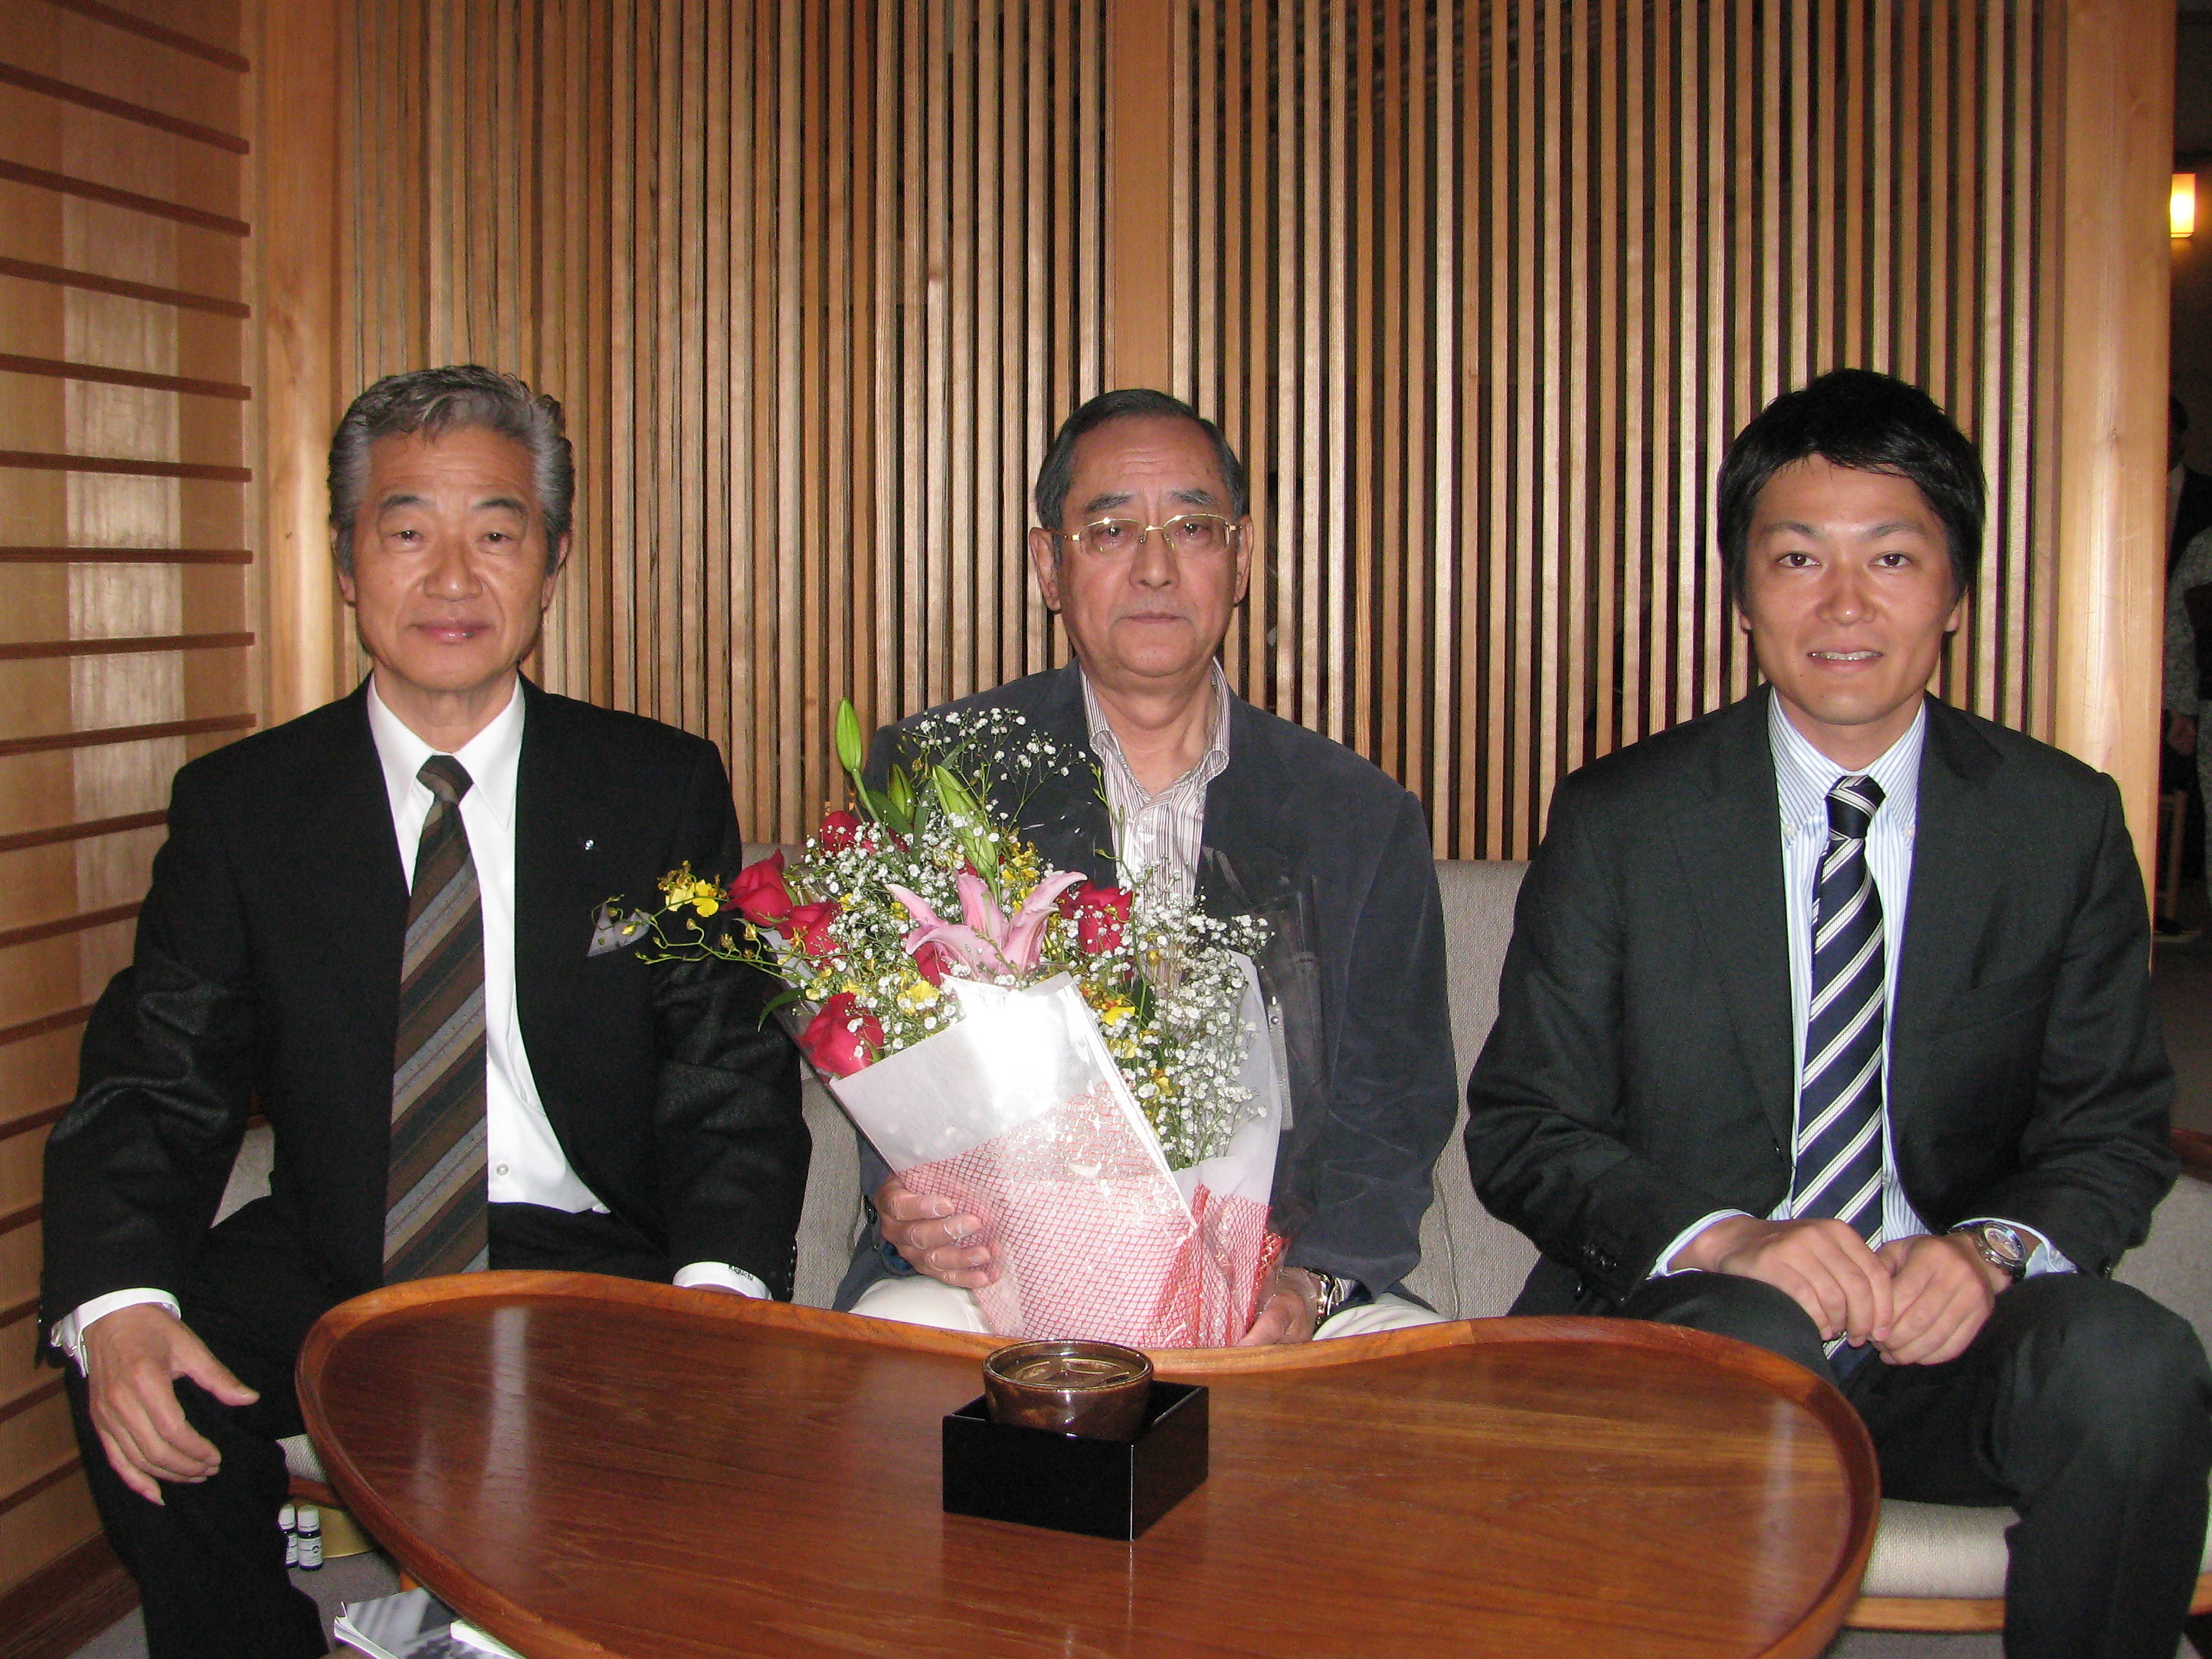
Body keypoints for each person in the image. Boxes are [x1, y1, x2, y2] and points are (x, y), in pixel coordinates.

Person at [40, 367, 809, 1659]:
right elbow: (158, 1074)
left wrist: (719, 1288)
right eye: (408, 532)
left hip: (589, 1251)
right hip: (344, 1241)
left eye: (496, 534)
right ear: (348, 563)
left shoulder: (654, 785)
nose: (453, 578)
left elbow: (723, 1063)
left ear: (551, 564)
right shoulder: (247, 808)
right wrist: (114, 1303)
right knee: (141, 1362)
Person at [1465, 368, 2209, 1659]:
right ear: (1744, 595)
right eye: (1799, 558)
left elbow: (2112, 1128)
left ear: (1956, 593)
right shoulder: (1624, 821)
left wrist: (1987, 1253)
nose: (1846, 604)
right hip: (1696, 1329)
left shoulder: (2059, 823)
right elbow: (1527, 1125)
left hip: (1947, 1341)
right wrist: (1729, 1240)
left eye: (1894, 558)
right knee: (1760, 1337)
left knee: (2133, 1365)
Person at [832, 388, 1459, 1344]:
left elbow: (1394, 1113)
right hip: (1002, 1278)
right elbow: (890, 1055)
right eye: (1112, 530)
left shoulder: (1358, 818)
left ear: (1240, 559)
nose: (1156, 567)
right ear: (1050, 566)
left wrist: (1309, 1286)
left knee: (1405, 1381)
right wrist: (914, 1202)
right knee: (902, 1345)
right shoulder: (939, 776)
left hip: (1276, 1285)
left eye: (1193, 528)